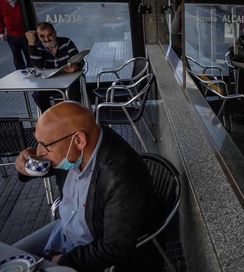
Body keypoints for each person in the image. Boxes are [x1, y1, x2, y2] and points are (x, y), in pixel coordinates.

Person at [14, 101, 161, 271]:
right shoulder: (77, 149)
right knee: (11, 256)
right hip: (63, 231)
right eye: (37, 142)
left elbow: (114, 248)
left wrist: (61, 260)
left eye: (45, 146)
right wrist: (24, 168)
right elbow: (45, 164)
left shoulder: (121, 177)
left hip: (90, 252)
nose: (39, 152)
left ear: (78, 140)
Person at [25, 22, 83, 113]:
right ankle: (50, 117)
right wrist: (31, 45)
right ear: (38, 37)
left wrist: (76, 66)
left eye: (50, 35)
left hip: (69, 83)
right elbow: (38, 66)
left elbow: (80, 61)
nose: (47, 39)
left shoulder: (66, 42)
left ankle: (73, 116)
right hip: (49, 84)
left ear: (55, 33)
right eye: (42, 36)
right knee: (37, 95)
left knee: (73, 89)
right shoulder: (38, 47)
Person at [0, 0, 30, 69]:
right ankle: (20, 74)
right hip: (11, 36)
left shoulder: (22, 2)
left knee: (29, 56)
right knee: (17, 57)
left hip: (26, 34)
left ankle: (33, 72)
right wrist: (1, 32)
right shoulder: (1, 2)